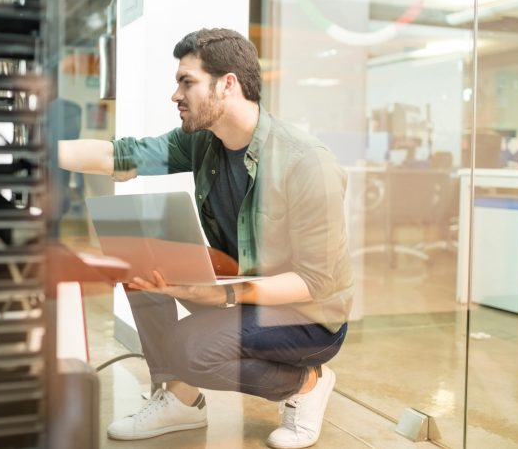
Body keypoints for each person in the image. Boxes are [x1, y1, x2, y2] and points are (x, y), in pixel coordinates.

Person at [58, 28, 352, 449]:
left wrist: (223, 297)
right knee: (140, 259)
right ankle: (182, 400)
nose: (175, 95)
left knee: (190, 348)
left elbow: (315, 283)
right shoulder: (202, 142)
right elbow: (118, 156)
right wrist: (35, 152)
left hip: (306, 316)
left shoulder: (307, 164)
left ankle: (305, 382)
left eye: (187, 82)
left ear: (227, 84)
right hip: (240, 287)